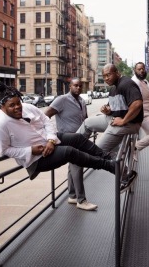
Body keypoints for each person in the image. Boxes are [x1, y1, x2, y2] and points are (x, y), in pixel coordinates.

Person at [0, 83, 135, 194]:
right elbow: (4, 150)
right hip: (37, 159)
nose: (17, 107)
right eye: (11, 105)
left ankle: (110, 158)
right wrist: (30, 150)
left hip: (49, 140)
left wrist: (51, 140)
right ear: (2, 107)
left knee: (77, 138)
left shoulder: (27, 107)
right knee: (70, 152)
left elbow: (46, 120)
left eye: (18, 103)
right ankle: (110, 166)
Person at [77, 63, 142, 186]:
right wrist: (107, 110)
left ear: (117, 73)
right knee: (87, 123)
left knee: (97, 151)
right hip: (112, 118)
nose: (106, 78)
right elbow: (116, 107)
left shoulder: (126, 83)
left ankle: (126, 175)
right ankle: (74, 145)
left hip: (128, 123)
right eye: (104, 76)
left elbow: (137, 104)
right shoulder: (113, 88)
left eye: (109, 75)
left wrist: (123, 121)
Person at [45, 78, 97, 211]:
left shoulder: (81, 101)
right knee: (77, 165)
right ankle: (81, 200)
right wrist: (50, 136)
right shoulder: (61, 100)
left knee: (72, 168)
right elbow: (45, 116)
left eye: (80, 86)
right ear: (70, 86)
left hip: (80, 138)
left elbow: (84, 119)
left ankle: (73, 195)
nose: (78, 88)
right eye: (75, 85)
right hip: (68, 138)